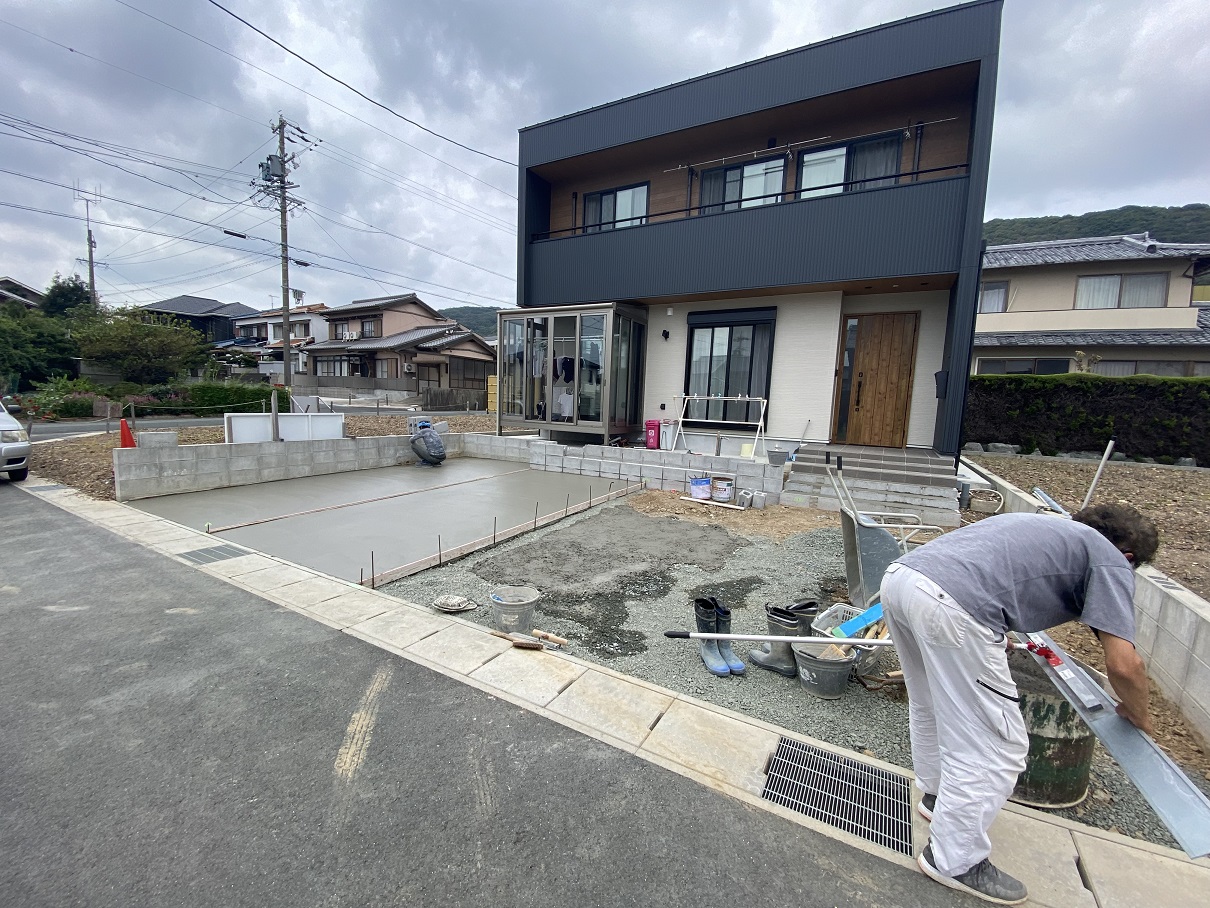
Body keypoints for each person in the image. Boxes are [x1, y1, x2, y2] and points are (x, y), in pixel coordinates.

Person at [880, 504, 1158, 905]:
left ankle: (938, 797)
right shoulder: (1111, 559)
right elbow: (1124, 664)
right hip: (949, 603)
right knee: (996, 745)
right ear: (1128, 556)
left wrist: (989, 628)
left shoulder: (1047, 528)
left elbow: (995, 574)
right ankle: (954, 860)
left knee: (930, 704)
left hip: (904, 579)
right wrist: (1139, 713)